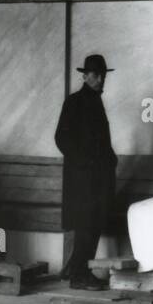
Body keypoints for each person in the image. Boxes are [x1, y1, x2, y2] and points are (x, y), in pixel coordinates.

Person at [54, 53, 117, 289]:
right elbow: (61, 138)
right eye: (95, 75)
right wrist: (86, 163)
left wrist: (110, 159)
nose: (100, 79)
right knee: (85, 226)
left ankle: (77, 270)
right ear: (84, 76)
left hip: (97, 179)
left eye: (102, 75)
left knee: (94, 224)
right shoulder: (75, 101)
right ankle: (78, 276)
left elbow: (100, 140)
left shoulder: (95, 101)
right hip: (82, 181)